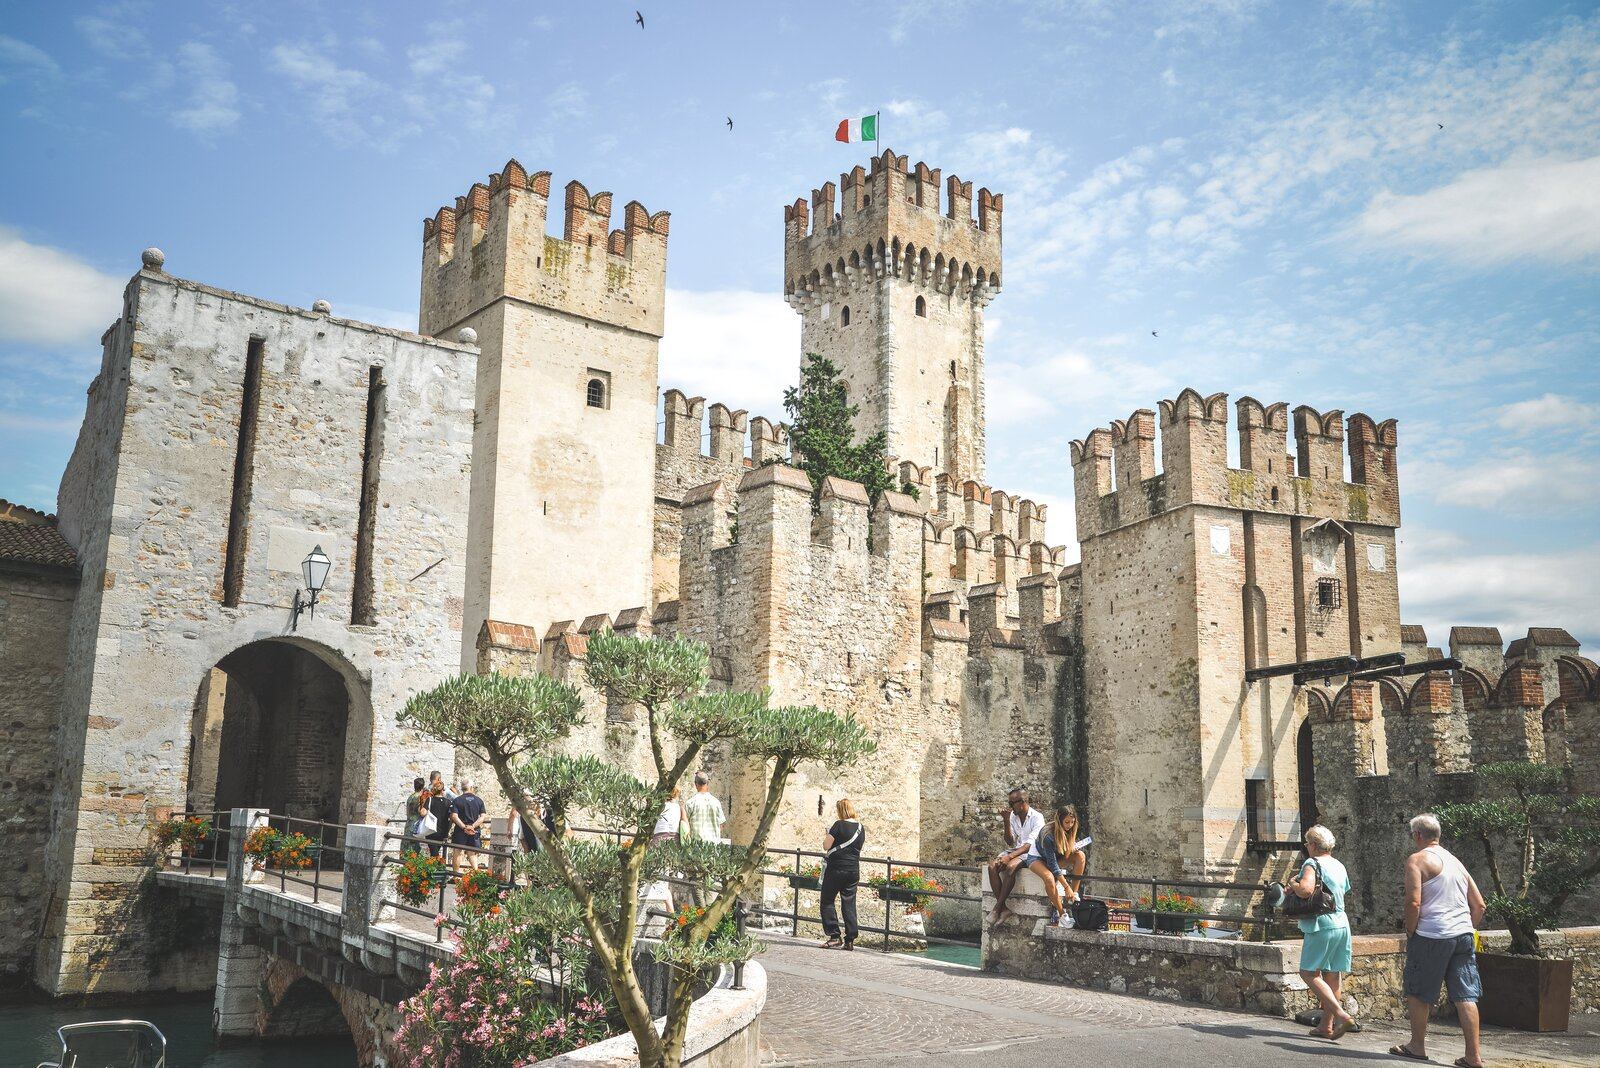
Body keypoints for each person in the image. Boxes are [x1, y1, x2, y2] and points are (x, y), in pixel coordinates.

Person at [1392, 813, 1486, 1067]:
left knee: (1419, 992)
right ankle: (1473, 1056)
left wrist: (1411, 931)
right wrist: (1465, 927)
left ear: (1418, 835)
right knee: (1465, 995)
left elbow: (1413, 901)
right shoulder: (1456, 862)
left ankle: (1417, 1046)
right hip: (1463, 934)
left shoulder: (1417, 859)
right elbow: (1479, 905)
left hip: (1432, 934)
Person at [1288, 825, 1357, 1040]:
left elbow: (1307, 890)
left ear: (1314, 845)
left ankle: (1340, 1015)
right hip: (1341, 922)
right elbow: (1341, 890)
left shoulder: (1312, 863)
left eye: (1307, 843)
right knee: (1332, 974)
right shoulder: (1338, 864)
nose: (1307, 847)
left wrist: (1294, 884)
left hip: (1322, 924)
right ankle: (1326, 1026)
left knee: (1309, 973)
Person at [1022, 805, 1086, 926]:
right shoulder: (1048, 835)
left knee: (1080, 856)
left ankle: (1074, 893)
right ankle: (1062, 914)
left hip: (1054, 857)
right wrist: (1066, 887)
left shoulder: (1070, 829)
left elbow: (1061, 853)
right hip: (1037, 858)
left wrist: (1072, 847)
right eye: (1067, 822)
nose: (1070, 825)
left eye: (1072, 822)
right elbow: (1053, 865)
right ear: (1059, 820)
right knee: (1049, 878)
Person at [989, 788, 1045, 925]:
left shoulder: (1037, 817)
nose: (1010, 807)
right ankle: (1004, 909)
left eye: (1012, 803)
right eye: (1009, 803)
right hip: (1016, 850)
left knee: (1010, 867)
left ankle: (997, 908)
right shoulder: (1013, 816)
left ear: (1023, 802)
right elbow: (1009, 841)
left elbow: (1029, 846)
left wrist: (1009, 857)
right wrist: (1007, 821)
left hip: (1032, 853)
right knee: (992, 866)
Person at [819, 798, 865, 950]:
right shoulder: (860, 827)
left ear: (840, 810)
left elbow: (826, 846)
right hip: (853, 870)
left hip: (836, 869)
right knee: (849, 903)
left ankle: (834, 936)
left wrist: (828, 834)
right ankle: (850, 939)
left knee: (827, 901)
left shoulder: (838, 825)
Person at [448, 778, 488, 872]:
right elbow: (482, 817)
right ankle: (477, 874)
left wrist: (464, 827)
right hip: (474, 831)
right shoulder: (479, 801)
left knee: (457, 852)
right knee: (472, 853)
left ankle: (456, 875)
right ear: (471, 787)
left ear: (462, 788)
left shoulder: (457, 800)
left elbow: (454, 816)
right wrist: (472, 826)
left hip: (460, 830)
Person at [684, 771, 726, 843]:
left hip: (696, 845)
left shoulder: (690, 803)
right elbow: (721, 825)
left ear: (695, 784)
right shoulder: (716, 802)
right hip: (713, 844)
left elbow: (685, 825)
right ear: (707, 783)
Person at [425, 772, 453, 859]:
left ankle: (436, 869)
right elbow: (451, 817)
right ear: (442, 790)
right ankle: (437, 868)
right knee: (435, 852)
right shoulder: (448, 802)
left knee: (434, 854)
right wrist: (448, 828)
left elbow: (423, 812)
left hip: (431, 830)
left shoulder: (429, 799)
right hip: (443, 831)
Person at [403, 777, 429, 854]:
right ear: (423, 786)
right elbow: (420, 811)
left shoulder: (410, 797)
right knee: (414, 849)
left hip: (408, 823)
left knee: (407, 847)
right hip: (415, 824)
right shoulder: (419, 798)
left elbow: (407, 812)